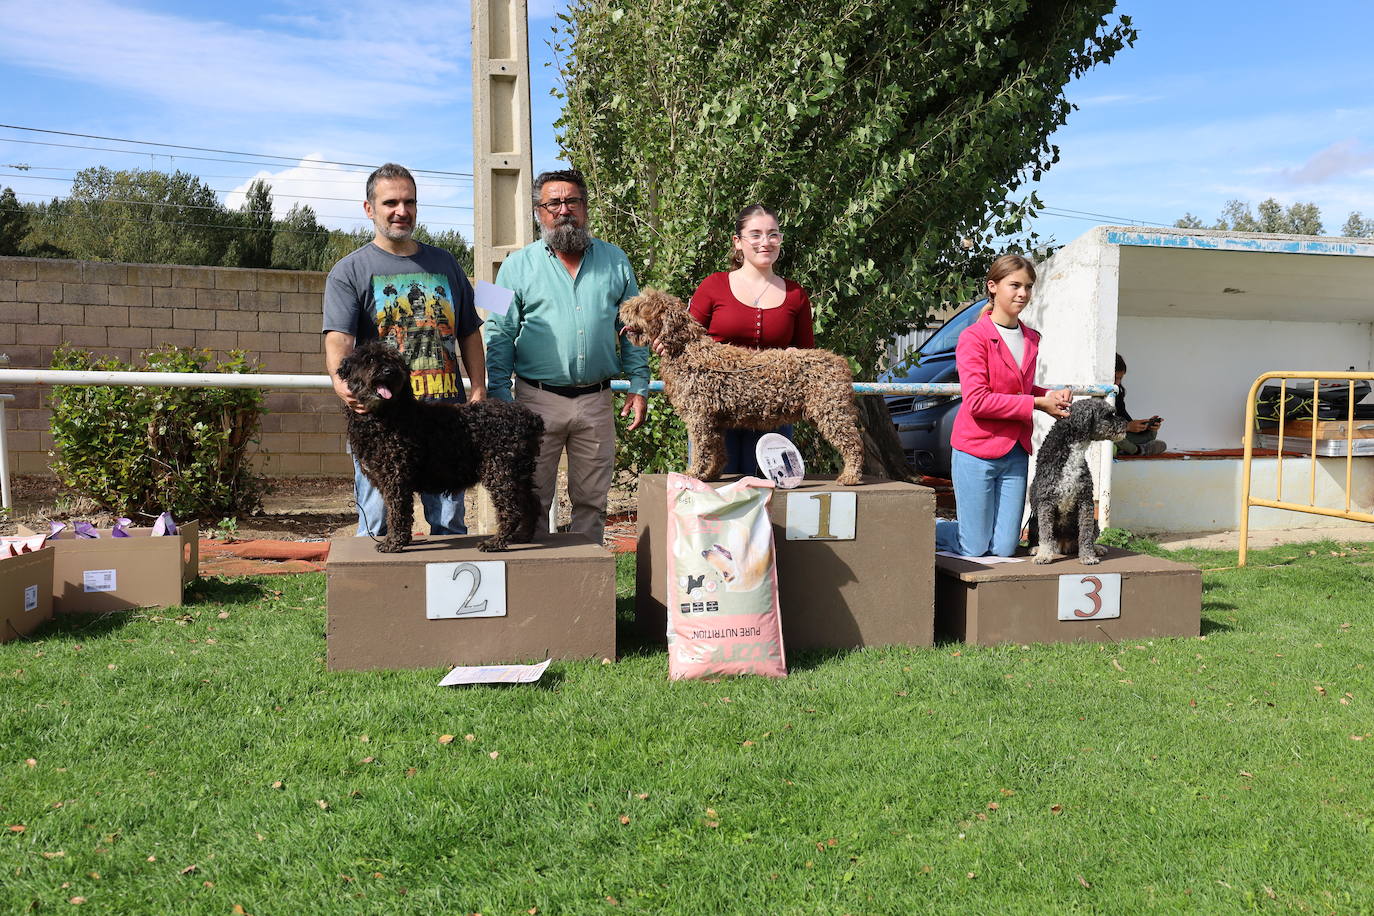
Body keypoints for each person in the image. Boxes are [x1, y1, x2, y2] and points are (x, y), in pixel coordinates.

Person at [484, 168, 650, 546]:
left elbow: (635, 330)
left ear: (585, 208)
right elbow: (497, 333)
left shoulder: (616, 261)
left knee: (592, 501)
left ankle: (587, 586)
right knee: (531, 499)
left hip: (595, 401)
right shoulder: (512, 266)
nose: (563, 210)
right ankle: (540, 584)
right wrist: (500, 396)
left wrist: (639, 386)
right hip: (534, 402)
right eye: (553, 203)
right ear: (539, 213)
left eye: (572, 201)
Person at [322, 162, 486, 537]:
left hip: (446, 420)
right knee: (378, 525)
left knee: (448, 525)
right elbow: (339, 342)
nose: (401, 211)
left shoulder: (445, 263)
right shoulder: (350, 271)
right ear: (369, 209)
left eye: (409, 202)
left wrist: (478, 387)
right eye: (390, 202)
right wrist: (340, 385)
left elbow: (469, 332)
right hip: (383, 424)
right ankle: (376, 596)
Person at [934, 254, 1072, 557]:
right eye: (1015, 285)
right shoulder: (974, 338)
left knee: (1005, 548)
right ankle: (931, 527)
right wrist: (1037, 403)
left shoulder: (1031, 338)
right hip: (975, 450)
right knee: (974, 547)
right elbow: (978, 400)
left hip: (1015, 452)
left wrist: (1050, 394)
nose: (1023, 293)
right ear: (992, 286)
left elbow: (1018, 388)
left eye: (1028, 286)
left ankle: (968, 531)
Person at [686, 203, 815, 477]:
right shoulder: (713, 286)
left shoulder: (796, 295)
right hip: (716, 411)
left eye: (773, 234)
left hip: (774, 413)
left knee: (771, 502)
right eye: (755, 234)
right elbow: (685, 340)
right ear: (738, 242)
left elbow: (807, 355)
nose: (765, 242)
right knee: (715, 499)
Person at [1113, 353, 1167, 455]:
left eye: (1120, 379)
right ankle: (1138, 450)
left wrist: (1146, 427)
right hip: (1105, 437)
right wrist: (1127, 427)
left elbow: (1123, 417)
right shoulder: (1095, 395)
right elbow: (1100, 426)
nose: (1118, 383)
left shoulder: (1117, 392)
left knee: (1149, 437)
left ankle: (1126, 448)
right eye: (1115, 378)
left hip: (1121, 435)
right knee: (1111, 439)